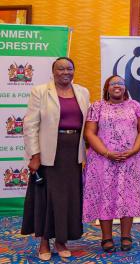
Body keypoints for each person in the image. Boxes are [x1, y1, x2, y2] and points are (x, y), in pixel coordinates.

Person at [21, 57, 90, 261]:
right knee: (47, 198)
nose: (65, 72)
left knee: (68, 199)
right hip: (48, 153)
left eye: (69, 68)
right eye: (60, 69)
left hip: (73, 154)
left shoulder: (83, 92)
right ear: (53, 72)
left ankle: (61, 241)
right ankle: (44, 241)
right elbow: (30, 125)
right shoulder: (40, 91)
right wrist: (35, 155)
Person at [83, 75, 140, 252]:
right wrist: (106, 153)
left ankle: (126, 236)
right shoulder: (97, 107)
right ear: (107, 88)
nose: (117, 86)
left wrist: (134, 150)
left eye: (120, 83)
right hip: (102, 160)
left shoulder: (135, 106)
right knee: (105, 196)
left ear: (125, 87)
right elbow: (90, 133)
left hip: (131, 159)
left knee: (128, 196)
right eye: (113, 84)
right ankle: (106, 238)